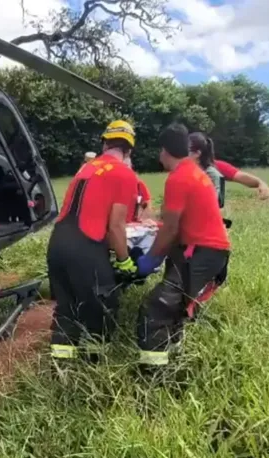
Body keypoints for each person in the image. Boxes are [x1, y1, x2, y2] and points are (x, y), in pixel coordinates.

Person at [134, 123, 231, 368]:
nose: (160, 156)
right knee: (175, 306)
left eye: (160, 151)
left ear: (166, 150)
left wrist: (149, 260)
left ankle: (153, 371)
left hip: (202, 252)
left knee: (156, 308)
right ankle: (174, 354)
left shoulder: (179, 177)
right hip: (204, 250)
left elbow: (171, 229)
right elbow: (179, 223)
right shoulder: (193, 171)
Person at [47, 120, 140, 362]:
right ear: (129, 150)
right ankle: (94, 367)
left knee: (67, 309)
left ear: (104, 143)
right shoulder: (125, 174)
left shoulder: (85, 168)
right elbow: (116, 227)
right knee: (102, 307)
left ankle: (61, 370)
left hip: (57, 243)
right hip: (85, 246)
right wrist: (125, 261)